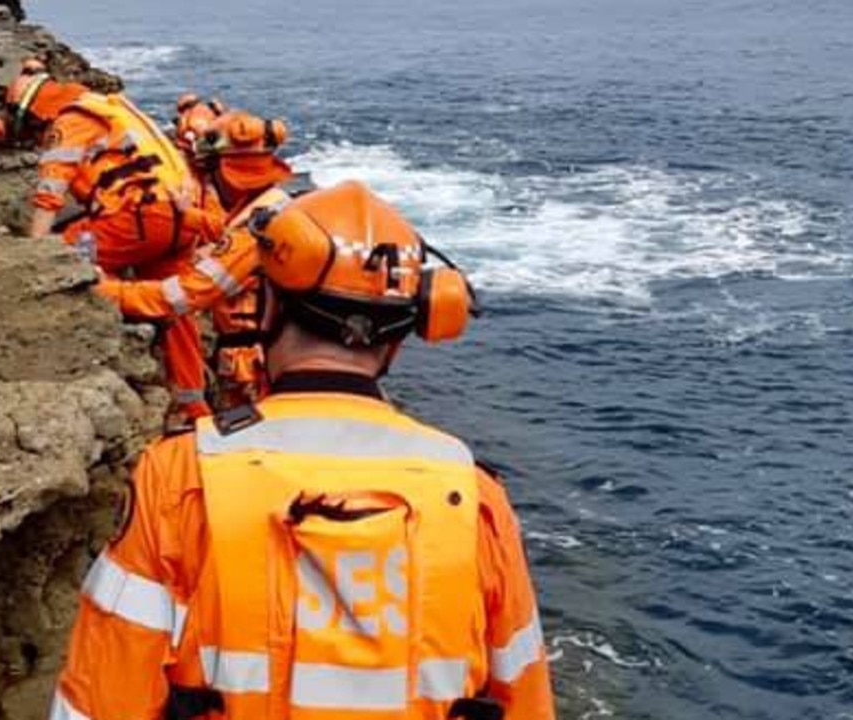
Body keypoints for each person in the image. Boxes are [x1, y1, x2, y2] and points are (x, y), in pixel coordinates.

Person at [49, 180, 556, 720]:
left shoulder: (178, 475)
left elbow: (102, 696)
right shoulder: (477, 500)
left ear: (266, 308)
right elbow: (524, 696)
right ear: (404, 336)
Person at [0, 59, 225, 419]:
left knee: (67, 258)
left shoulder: (70, 120)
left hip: (140, 219)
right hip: (180, 220)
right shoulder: (109, 106)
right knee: (176, 306)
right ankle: (194, 405)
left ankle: (112, 304)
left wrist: (37, 250)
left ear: (34, 113)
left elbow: (52, 186)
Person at [96, 109, 303, 407]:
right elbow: (225, 229)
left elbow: (185, 295)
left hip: (255, 370)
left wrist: (106, 289)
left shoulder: (255, 229)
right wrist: (188, 215)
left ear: (227, 169)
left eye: (206, 171)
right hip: (260, 358)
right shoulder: (269, 207)